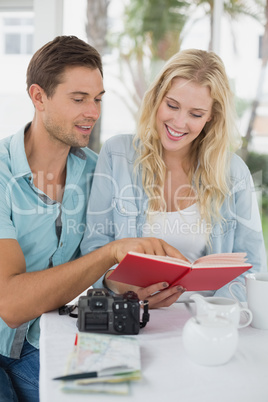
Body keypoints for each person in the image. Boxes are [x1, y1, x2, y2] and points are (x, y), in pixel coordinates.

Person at [0, 35, 186, 402]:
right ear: (38, 97)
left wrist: (131, 286)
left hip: (48, 342)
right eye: (79, 99)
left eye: (98, 99)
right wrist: (110, 253)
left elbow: (101, 271)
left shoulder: (99, 173)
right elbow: (10, 303)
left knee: (129, 392)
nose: (93, 112)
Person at [81, 48, 267, 302]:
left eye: (196, 114)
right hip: (136, 318)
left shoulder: (233, 172)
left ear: (211, 116)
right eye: (172, 105)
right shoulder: (117, 154)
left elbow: (253, 267)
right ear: (157, 97)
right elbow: (95, 249)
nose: (179, 123)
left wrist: (211, 310)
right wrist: (125, 289)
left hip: (208, 322)